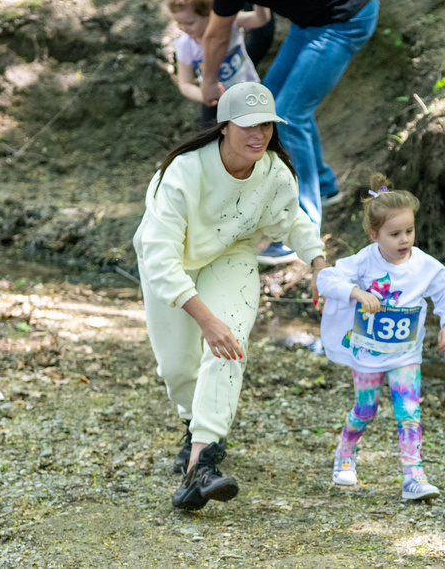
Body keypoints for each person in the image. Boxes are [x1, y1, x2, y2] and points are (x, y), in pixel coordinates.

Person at [133, 82, 327, 510]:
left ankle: (203, 460)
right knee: (176, 366)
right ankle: (194, 430)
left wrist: (318, 264)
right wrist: (205, 319)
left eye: (266, 125)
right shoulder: (184, 172)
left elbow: (292, 221)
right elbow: (160, 257)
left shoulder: (274, 172)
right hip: (172, 263)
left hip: (230, 254)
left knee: (229, 344)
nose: (258, 134)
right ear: (224, 127)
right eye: (247, 126)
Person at [199, 0, 380, 265]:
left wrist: (209, 83)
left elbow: (216, 36)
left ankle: (302, 232)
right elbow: (219, 28)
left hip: (346, 19)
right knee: (269, 104)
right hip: (309, 23)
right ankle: (324, 185)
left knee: (287, 117)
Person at [316, 173, 445, 501]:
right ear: (374, 234)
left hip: (406, 354)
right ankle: (344, 454)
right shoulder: (364, 261)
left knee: (409, 412)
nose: (404, 240)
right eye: (394, 234)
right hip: (368, 352)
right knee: (366, 408)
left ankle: (413, 476)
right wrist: (355, 292)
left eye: (409, 231)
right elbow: (327, 278)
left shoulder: (424, 265)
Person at [167, 0, 271, 126]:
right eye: (179, 23)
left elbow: (261, 19)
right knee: (210, 136)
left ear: (209, 14)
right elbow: (185, 84)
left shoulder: (230, 23)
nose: (184, 28)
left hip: (249, 91)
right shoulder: (185, 45)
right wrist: (204, 96)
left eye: (190, 23)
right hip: (215, 101)